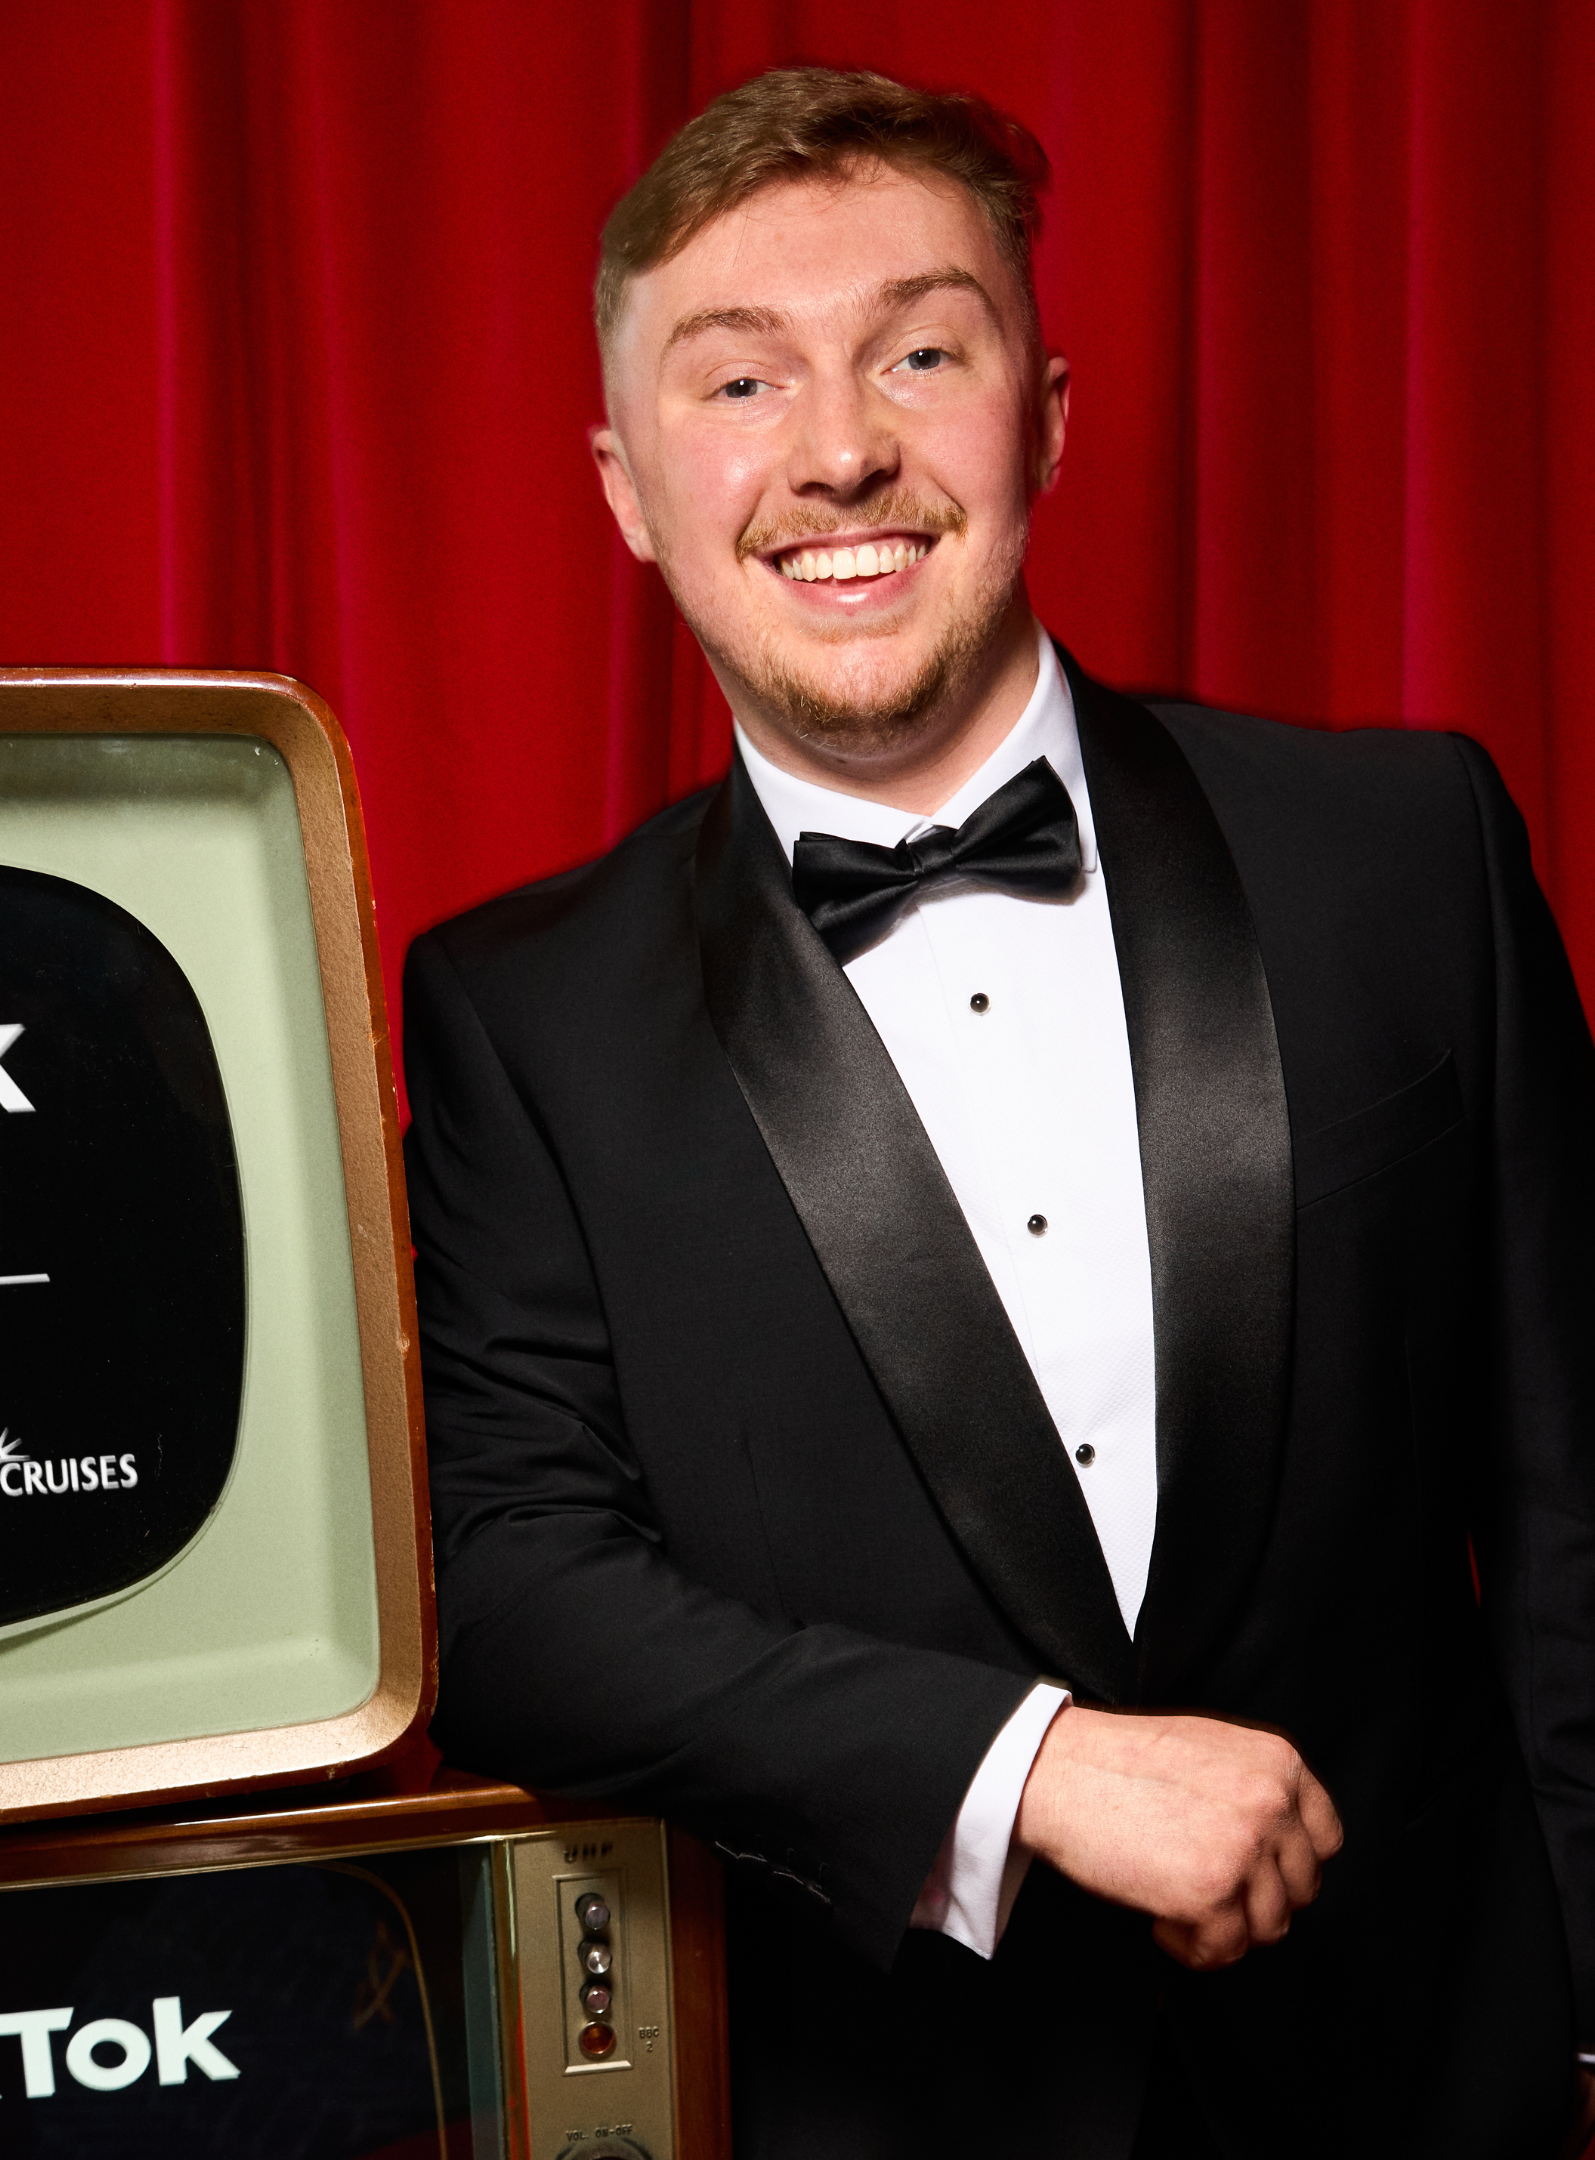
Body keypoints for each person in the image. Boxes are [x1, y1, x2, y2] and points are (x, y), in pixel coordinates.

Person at [401, 66, 1595, 2160]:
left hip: (1433, 2087)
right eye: (741, 384)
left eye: (921, 353)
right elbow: (505, 1593)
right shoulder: (519, 1014)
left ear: (1045, 410)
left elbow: (1582, 1493)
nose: (841, 448)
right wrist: (1026, 1766)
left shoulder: (1407, 849)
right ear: (625, 487)